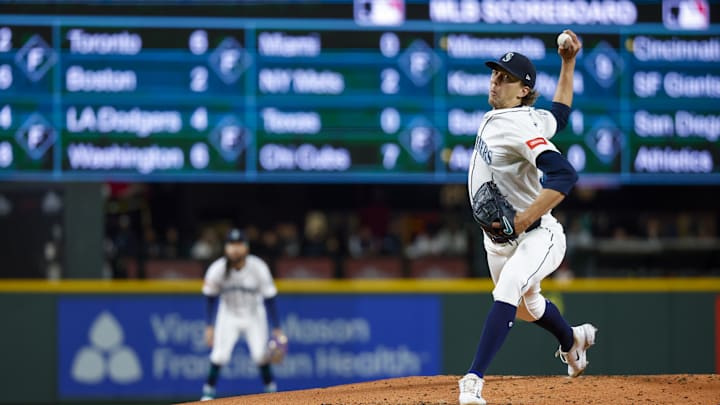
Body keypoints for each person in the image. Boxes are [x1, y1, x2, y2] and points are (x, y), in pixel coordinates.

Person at [459, 30, 597, 405]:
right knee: (528, 307)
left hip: (539, 235)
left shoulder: (518, 126)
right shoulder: (528, 117)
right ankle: (573, 340)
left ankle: (472, 381)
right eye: (495, 74)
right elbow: (561, 115)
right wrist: (568, 63)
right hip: (498, 241)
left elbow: (564, 175)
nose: (496, 80)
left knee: (508, 288)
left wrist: (522, 220)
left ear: (523, 89)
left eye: (505, 77)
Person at [200, 228, 285, 401]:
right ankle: (207, 394)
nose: (235, 248)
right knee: (219, 355)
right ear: (226, 248)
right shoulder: (217, 269)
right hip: (228, 314)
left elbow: (270, 298)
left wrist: (277, 328)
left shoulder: (258, 267)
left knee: (260, 356)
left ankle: (272, 393)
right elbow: (210, 297)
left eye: (239, 244)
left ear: (246, 248)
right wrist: (209, 326)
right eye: (231, 244)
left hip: (254, 315)